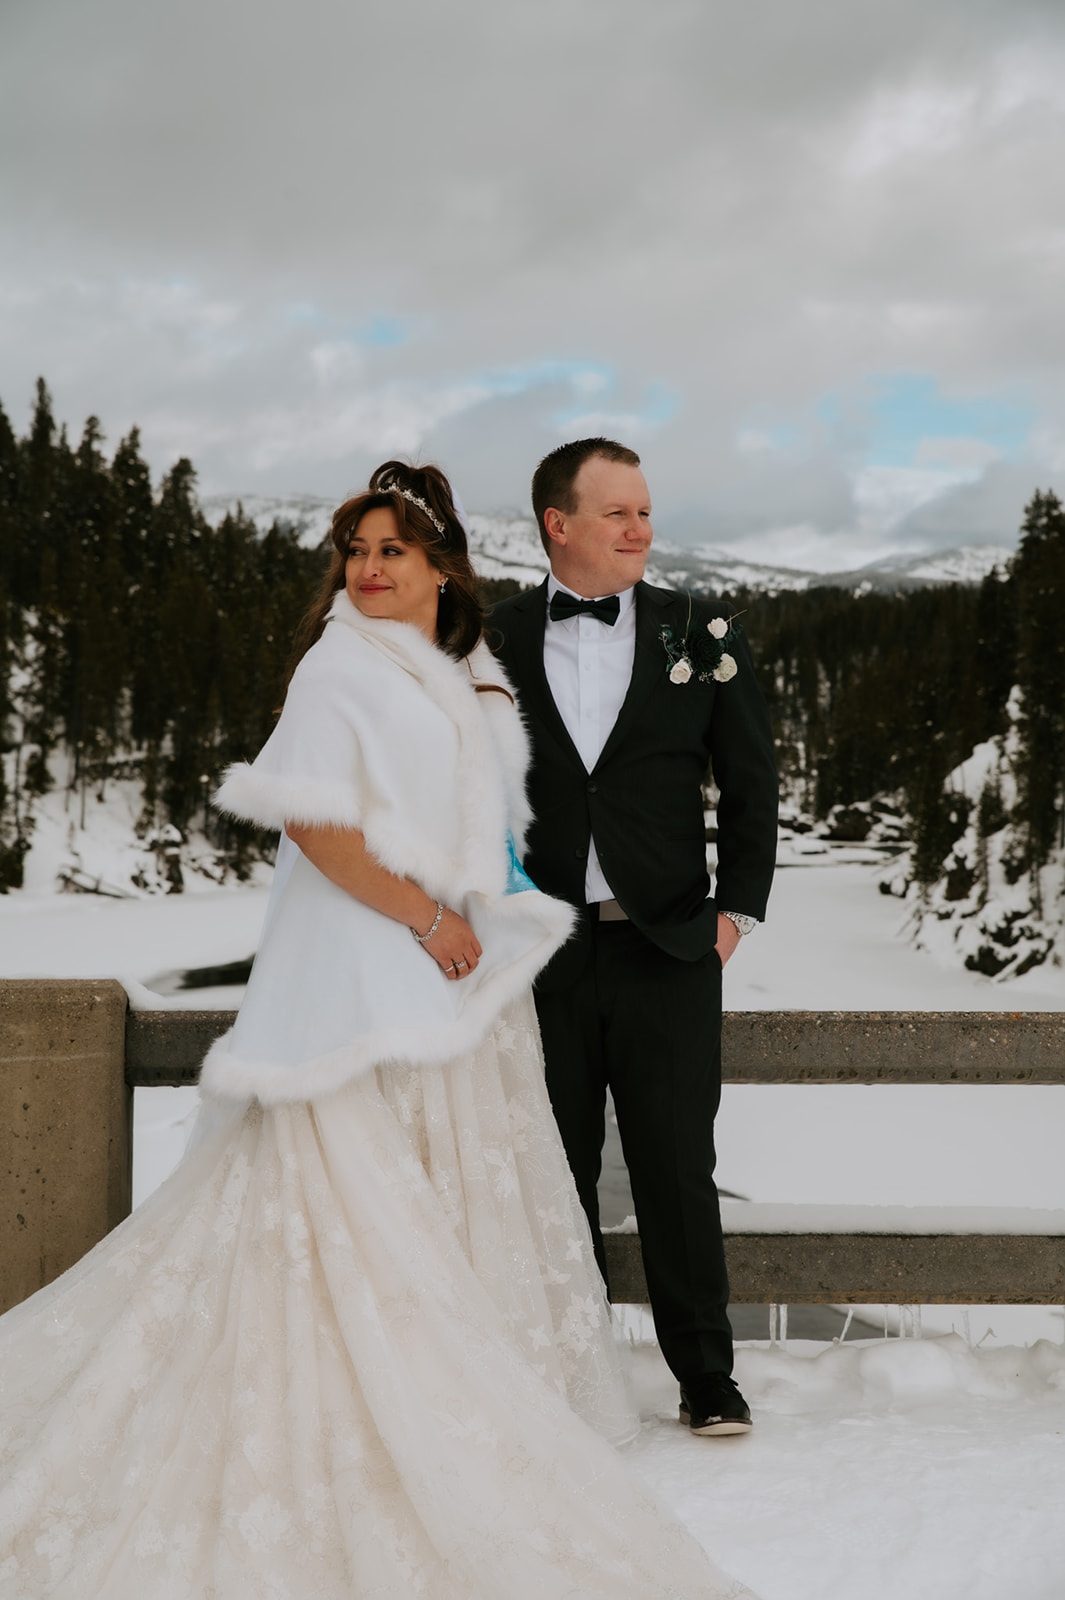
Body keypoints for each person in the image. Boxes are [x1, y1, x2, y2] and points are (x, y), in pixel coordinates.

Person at [0, 461, 760, 1599]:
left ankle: (629, 1377)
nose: (365, 570)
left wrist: (696, 903)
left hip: (489, 961)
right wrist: (427, 917)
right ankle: (365, 1389)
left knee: (530, 1172)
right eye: (355, 551)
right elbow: (314, 820)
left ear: (436, 564)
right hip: (375, 956)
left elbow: (569, 799)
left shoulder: (462, 658)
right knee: (346, 1195)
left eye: (389, 551)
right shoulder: (339, 662)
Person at [491, 439, 778, 1439]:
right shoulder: (491, 639)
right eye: (619, 514)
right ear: (558, 524)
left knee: (672, 1168)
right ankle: (562, 1374)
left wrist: (735, 917)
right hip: (539, 954)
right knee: (551, 1171)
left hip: (668, 950)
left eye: (646, 512)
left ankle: (707, 1379)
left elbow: (751, 778)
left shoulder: (699, 630)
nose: (642, 531)